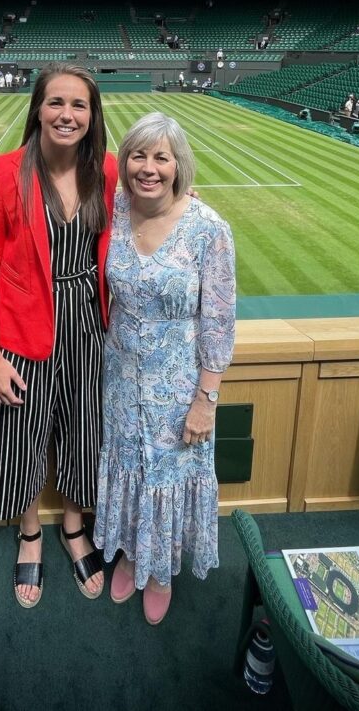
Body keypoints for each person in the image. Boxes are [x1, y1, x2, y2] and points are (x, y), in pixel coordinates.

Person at [0, 62, 117, 610]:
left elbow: (150, 212)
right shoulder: (6, 172)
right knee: (20, 437)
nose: (67, 114)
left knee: (85, 431)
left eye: (79, 105)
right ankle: (29, 531)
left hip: (88, 323)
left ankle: (73, 525)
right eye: (56, 102)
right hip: (23, 327)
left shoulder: (107, 170)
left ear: (92, 115)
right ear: (37, 108)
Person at [94, 112, 236, 625]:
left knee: (169, 478)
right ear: (124, 162)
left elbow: (219, 321)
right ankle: (133, 553)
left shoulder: (208, 229)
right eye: (138, 155)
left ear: (179, 165)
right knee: (130, 469)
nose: (148, 168)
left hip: (179, 389)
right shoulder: (115, 207)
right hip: (120, 380)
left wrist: (207, 398)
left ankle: (161, 572)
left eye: (161, 157)